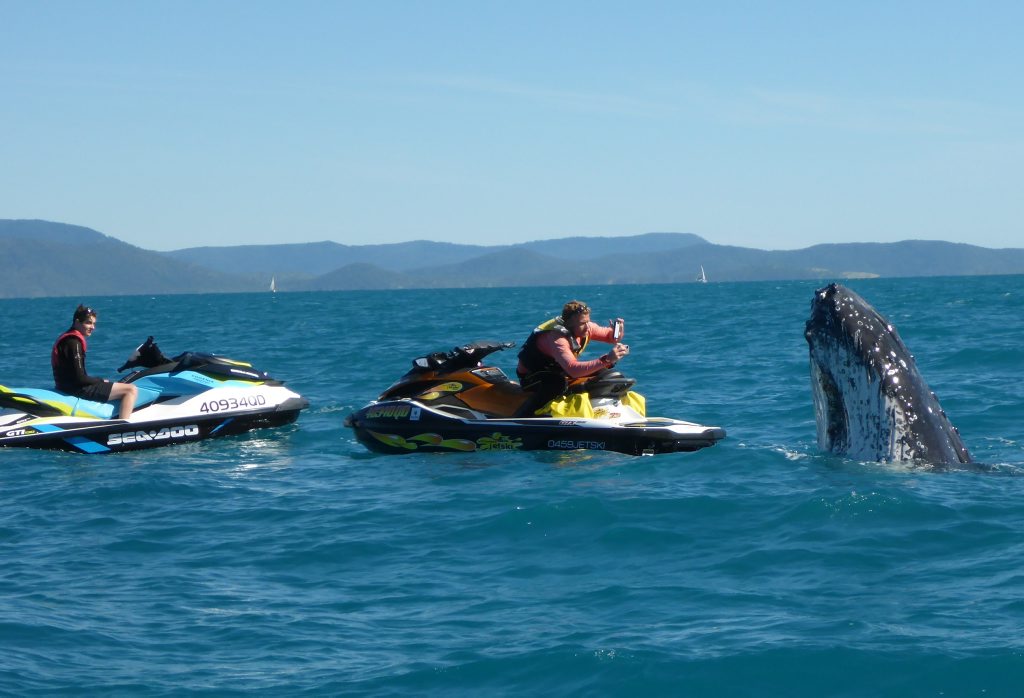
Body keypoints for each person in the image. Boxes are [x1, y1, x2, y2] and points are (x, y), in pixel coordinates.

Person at [515, 300, 629, 416]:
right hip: (532, 377)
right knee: (556, 384)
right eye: (582, 323)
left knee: (604, 372)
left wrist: (617, 333)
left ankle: (600, 409)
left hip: (559, 370)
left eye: (587, 322)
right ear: (569, 324)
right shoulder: (557, 338)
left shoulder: (585, 327)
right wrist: (606, 359)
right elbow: (573, 370)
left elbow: (610, 336)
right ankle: (524, 417)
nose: (587, 327)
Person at [52, 304, 138, 419]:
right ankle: (123, 427)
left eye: (93, 323)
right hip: (76, 389)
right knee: (130, 390)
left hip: (67, 386)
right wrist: (101, 380)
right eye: (88, 322)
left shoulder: (68, 338)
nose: (92, 327)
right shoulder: (73, 342)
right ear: (77, 322)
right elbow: (80, 378)